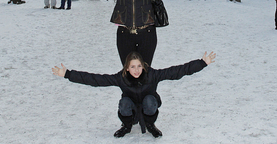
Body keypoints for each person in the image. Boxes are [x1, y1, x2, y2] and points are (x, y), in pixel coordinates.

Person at [52, 50, 216, 138]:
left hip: (147, 106)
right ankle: (127, 125)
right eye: (132, 67)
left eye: (138, 66)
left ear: (143, 66)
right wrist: (68, 74)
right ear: (127, 68)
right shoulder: (121, 78)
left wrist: (201, 63)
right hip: (130, 107)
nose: (136, 70)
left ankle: (150, 125)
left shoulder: (153, 75)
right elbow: (95, 80)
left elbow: (178, 71)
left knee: (150, 101)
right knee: (124, 104)